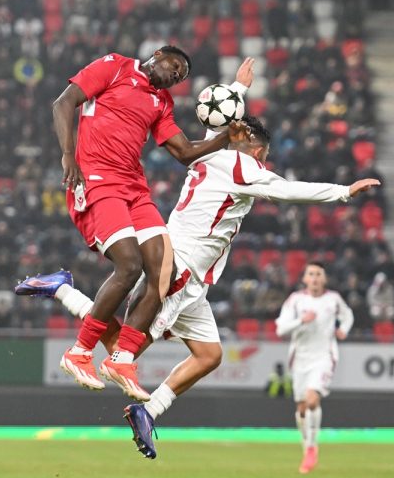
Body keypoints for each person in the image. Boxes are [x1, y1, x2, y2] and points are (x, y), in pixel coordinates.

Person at [17, 116, 380, 458]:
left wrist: (238, 89)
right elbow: (289, 191)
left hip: (192, 275)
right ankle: (62, 289)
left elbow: (219, 117)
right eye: (265, 157)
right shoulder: (245, 166)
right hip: (181, 270)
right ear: (256, 151)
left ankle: (148, 411)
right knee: (119, 349)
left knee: (209, 354)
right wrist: (344, 192)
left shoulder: (211, 150)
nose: (264, 165)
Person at [19, 47, 255, 402]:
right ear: (157, 55)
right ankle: (79, 352)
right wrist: (68, 153)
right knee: (129, 266)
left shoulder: (161, 104)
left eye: (180, 76)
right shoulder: (114, 67)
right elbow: (63, 103)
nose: (175, 76)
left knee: (165, 269)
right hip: (99, 181)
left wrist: (225, 138)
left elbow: (184, 153)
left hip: (134, 188)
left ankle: (122, 359)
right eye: (174, 67)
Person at [276, 262, 354, 474]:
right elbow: (281, 328)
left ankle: (312, 448)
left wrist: (343, 329)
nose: (315, 277)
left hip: (324, 356)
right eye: (311, 274)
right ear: (305, 279)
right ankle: (306, 447)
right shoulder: (296, 300)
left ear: (324, 279)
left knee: (312, 399)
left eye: (319, 274)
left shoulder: (334, 299)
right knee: (301, 409)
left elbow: (348, 315)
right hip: (300, 358)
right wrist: (301, 320)